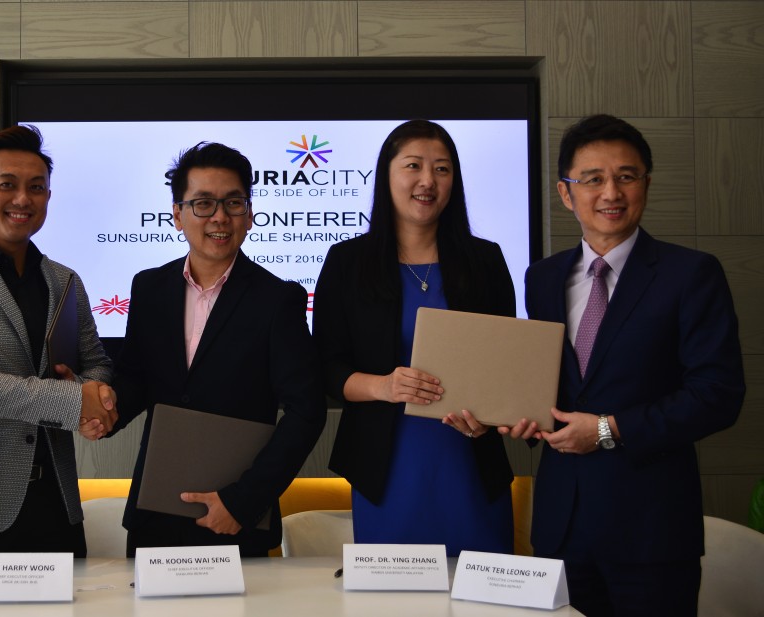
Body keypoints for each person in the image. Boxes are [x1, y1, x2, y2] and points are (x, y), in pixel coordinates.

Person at [503, 114, 745, 617]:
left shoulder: (691, 274)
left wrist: (609, 430)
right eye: (592, 179)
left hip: (651, 533)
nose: (610, 191)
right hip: (560, 527)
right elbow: (551, 389)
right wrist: (526, 420)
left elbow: (717, 394)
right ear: (566, 194)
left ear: (646, 186)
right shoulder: (543, 279)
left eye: (626, 176)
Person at [0, 125, 116, 616]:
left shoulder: (64, 280)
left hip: (57, 505)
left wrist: (96, 396)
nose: (22, 198)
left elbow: (95, 362)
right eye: (6, 184)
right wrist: (74, 403)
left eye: (36, 187)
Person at [105, 141, 327, 557]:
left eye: (234, 203)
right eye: (203, 203)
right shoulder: (149, 288)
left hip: (236, 519)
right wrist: (105, 409)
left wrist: (244, 501)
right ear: (177, 214)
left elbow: (306, 411)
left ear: (250, 214)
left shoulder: (278, 299)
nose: (220, 217)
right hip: (157, 510)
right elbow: (135, 377)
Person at [312, 120, 515, 554]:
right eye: (413, 166)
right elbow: (326, 368)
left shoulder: (486, 261)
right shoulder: (348, 262)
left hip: (469, 458)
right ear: (387, 174)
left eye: (442, 169)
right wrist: (383, 386)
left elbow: (507, 366)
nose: (428, 180)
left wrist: (493, 415)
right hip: (387, 468)